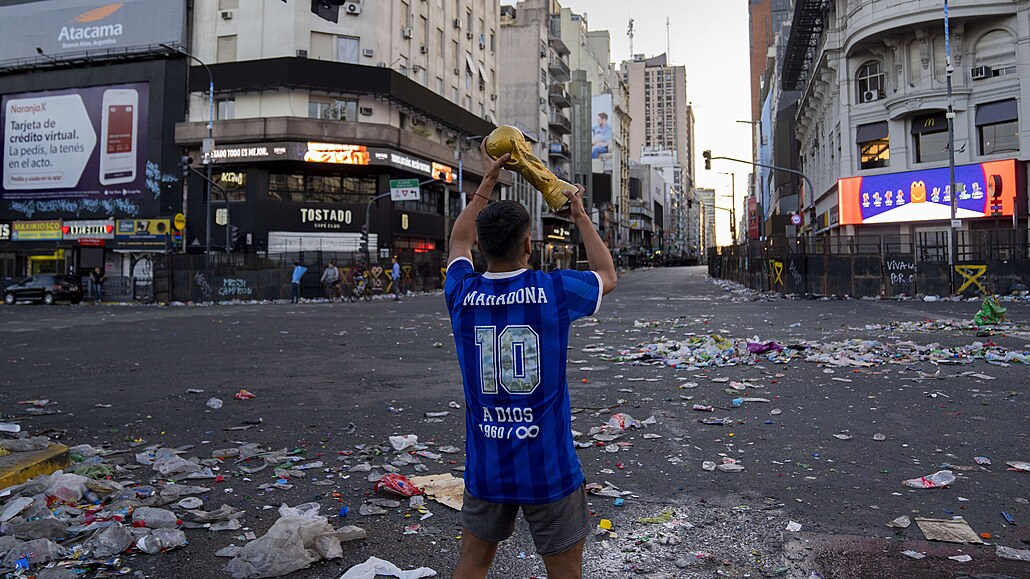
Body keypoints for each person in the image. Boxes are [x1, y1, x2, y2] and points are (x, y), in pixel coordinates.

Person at [445, 143, 617, 579]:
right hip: (549, 465)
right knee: (564, 571)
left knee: (472, 562)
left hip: (487, 466)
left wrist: (486, 183)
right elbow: (607, 274)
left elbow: (457, 240)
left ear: (483, 246)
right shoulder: (556, 291)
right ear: (528, 244)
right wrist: (577, 212)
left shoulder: (463, 294)